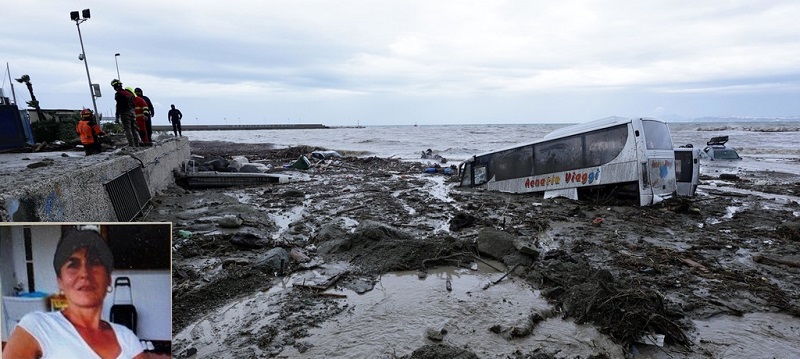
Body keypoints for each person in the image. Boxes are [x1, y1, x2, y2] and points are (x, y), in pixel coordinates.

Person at [1, 227, 148, 359]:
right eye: (73, 264)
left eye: (94, 262)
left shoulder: (127, 337)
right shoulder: (38, 326)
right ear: (60, 281)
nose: (84, 273)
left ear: (109, 280)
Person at [112, 79, 140, 147]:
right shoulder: (129, 93)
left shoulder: (118, 94)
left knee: (128, 129)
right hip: (132, 112)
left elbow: (118, 105)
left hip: (125, 113)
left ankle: (131, 145)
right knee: (134, 129)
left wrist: (117, 116)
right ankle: (137, 144)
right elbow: (133, 104)